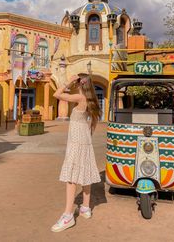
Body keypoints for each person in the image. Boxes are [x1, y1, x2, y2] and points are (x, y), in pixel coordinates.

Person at [51, 73, 102, 233]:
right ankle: (86, 208)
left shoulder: (80, 98)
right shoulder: (91, 100)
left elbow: (56, 94)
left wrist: (69, 81)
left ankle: (68, 216)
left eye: (77, 82)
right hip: (84, 140)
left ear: (81, 84)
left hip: (77, 142)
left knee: (71, 177)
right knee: (85, 172)